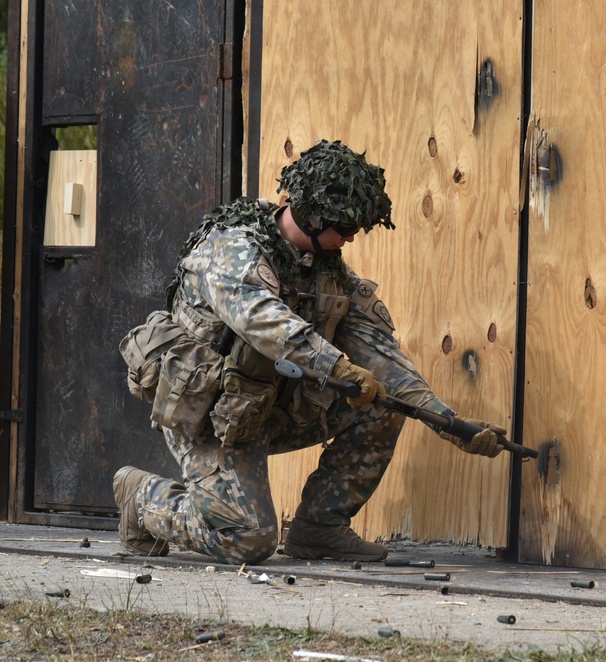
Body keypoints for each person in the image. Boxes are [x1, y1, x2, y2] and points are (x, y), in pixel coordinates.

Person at [115, 139, 505, 565]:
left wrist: (446, 421)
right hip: (208, 414)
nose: (352, 237)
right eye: (346, 227)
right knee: (249, 540)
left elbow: (382, 356)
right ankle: (142, 499)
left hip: (263, 407)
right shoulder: (232, 250)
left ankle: (319, 528)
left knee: (383, 403)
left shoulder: (326, 270)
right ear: (315, 217)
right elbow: (266, 322)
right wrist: (337, 365)